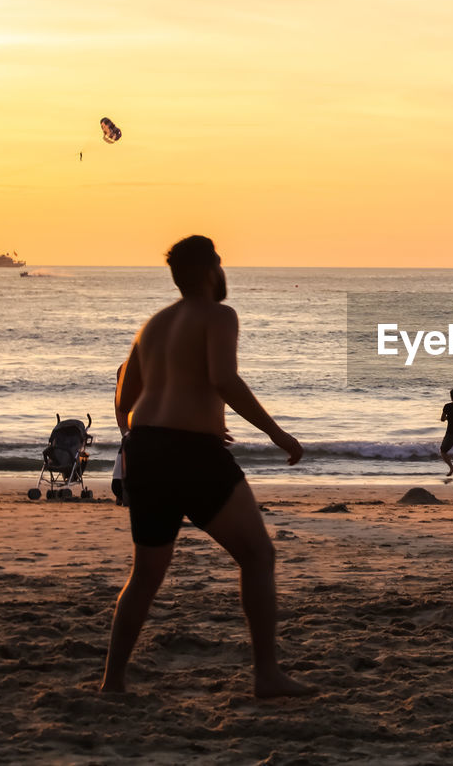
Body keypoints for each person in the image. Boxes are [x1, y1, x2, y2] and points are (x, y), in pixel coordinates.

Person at [101, 235, 309, 697]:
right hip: (191, 454)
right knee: (258, 556)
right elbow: (223, 379)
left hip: (146, 450)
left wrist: (157, 427)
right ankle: (266, 675)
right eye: (219, 261)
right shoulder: (220, 315)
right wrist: (278, 434)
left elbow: (124, 399)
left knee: (146, 575)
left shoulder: (151, 325)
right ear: (211, 269)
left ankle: (112, 682)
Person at [111, 363, 129, 507]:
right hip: (130, 420)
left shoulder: (123, 367)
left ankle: (121, 495)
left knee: (125, 446)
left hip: (125, 419)